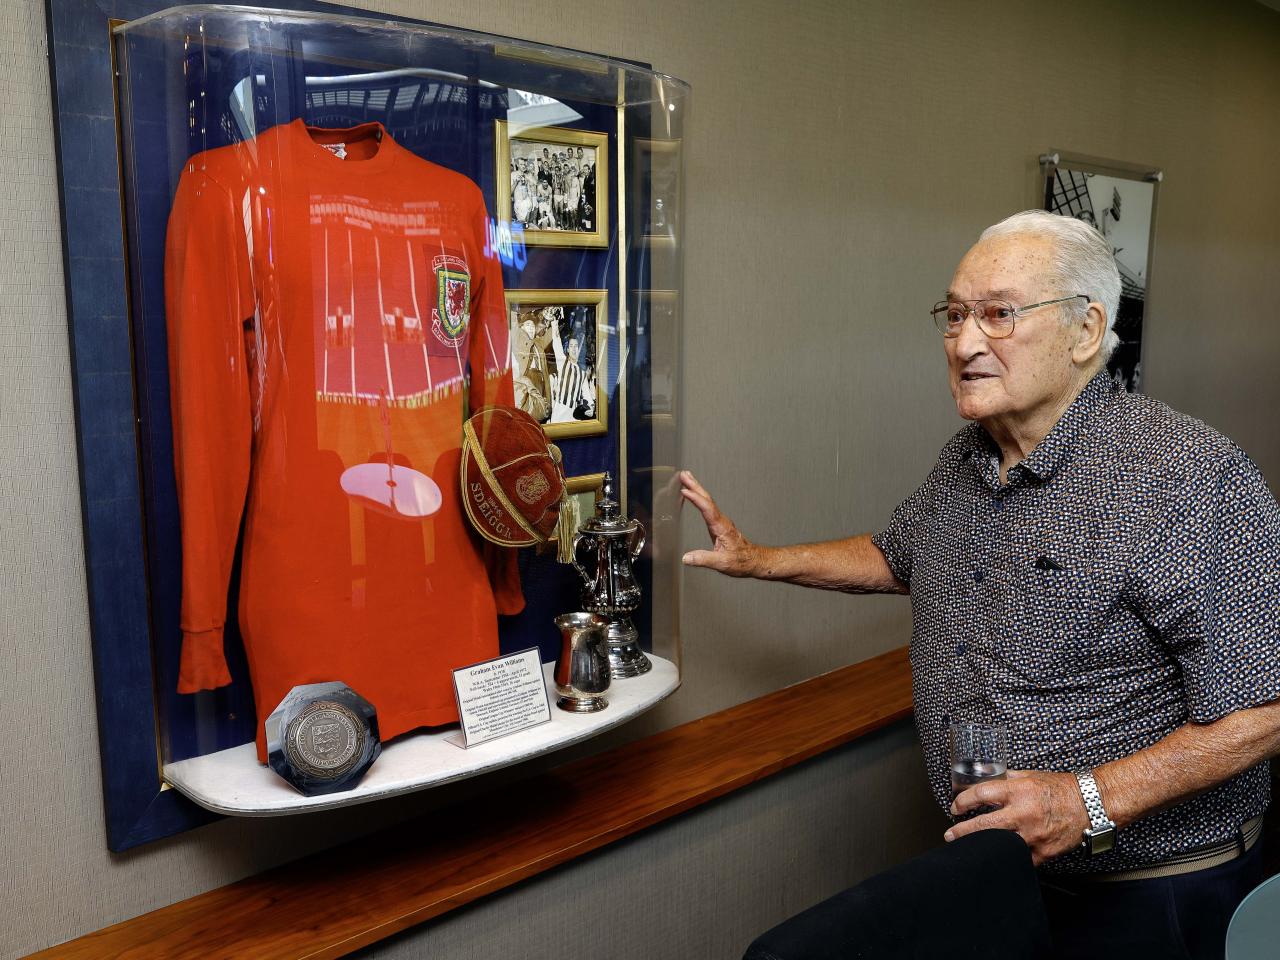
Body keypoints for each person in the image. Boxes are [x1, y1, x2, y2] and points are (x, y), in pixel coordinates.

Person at [682, 209, 1280, 960]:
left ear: (1086, 331)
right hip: (1002, 869)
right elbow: (899, 555)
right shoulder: (967, 458)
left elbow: (1265, 708)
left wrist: (1086, 802)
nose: (965, 344)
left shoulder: (1187, 477)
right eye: (956, 315)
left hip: (1152, 891)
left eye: (999, 314)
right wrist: (758, 559)